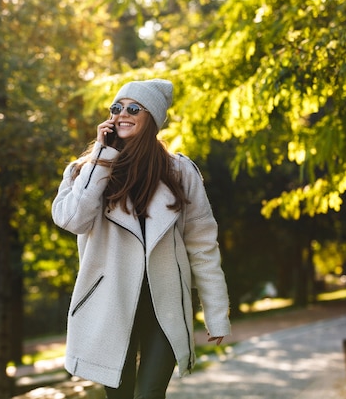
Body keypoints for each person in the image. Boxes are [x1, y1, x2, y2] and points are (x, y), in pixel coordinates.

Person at [51, 79, 231, 399]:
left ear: (153, 119)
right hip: (110, 305)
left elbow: (202, 244)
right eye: (116, 108)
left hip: (165, 305)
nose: (122, 114)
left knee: (150, 394)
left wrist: (216, 313)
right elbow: (72, 220)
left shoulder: (180, 171)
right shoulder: (85, 170)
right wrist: (102, 156)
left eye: (133, 108)